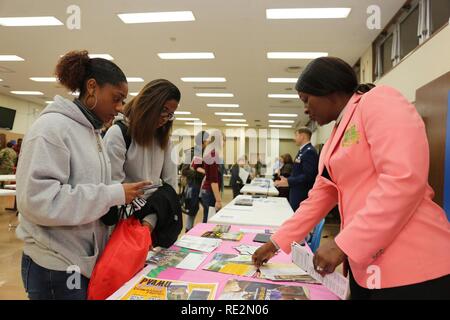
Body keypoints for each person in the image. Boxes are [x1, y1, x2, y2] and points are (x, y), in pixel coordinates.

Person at [253, 56, 450, 300]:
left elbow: (403, 179)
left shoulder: (379, 101)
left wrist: (342, 244)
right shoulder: (335, 135)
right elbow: (319, 198)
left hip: (413, 268)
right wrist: (276, 243)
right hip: (363, 266)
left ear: (328, 91)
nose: (305, 109)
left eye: (306, 100)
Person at [15, 50, 150, 300]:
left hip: (81, 259)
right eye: (117, 98)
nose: (121, 108)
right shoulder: (52, 128)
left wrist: (120, 196)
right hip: (55, 265)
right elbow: (37, 201)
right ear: (91, 87)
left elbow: (88, 187)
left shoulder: (92, 132)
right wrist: (113, 194)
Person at [104, 79, 179, 234]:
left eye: (170, 114)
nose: (165, 118)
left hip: (152, 220)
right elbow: (113, 188)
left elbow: (171, 185)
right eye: (163, 109)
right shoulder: (118, 134)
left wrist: (150, 220)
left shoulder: (164, 139)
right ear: (149, 103)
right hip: (122, 224)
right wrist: (144, 218)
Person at [275, 128, 318, 211]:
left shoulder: (309, 151)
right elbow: (298, 171)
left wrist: (289, 181)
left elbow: (308, 176)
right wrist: (288, 179)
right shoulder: (303, 151)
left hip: (301, 193)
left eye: (296, 135)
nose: (294, 138)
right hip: (296, 191)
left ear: (302, 136)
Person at [192, 134, 223, 223]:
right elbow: (195, 166)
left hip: (207, 187)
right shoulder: (201, 152)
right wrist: (207, 172)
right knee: (209, 216)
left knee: (208, 215)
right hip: (205, 186)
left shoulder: (210, 152)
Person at [182, 131, 208, 232]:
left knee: (207, 208)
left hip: (204, 186)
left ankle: (205, 231)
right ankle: (188, 232)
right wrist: (200, 173)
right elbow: (185, 170)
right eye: (207, 140)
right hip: (194, 186)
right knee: (192, 211)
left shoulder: (206, 153)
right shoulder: (192, 152)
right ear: (203, 141)